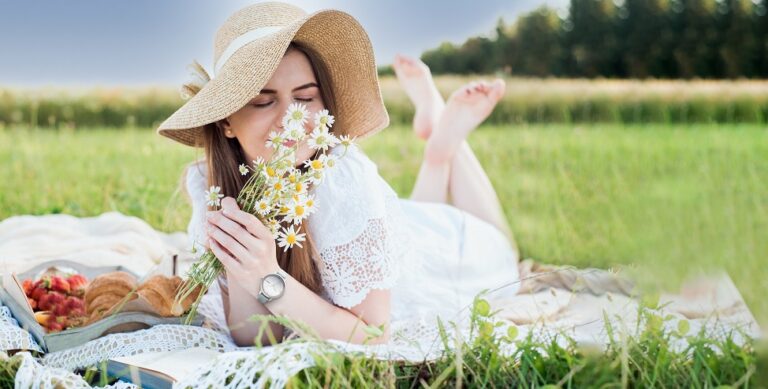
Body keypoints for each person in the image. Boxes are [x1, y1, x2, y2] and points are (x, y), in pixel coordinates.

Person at [156, 1, 519, 347]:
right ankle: (439, 149)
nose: (290, 119)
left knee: (505, 252)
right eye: (264, 101)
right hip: (399, 225)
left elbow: (374, 335)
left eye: (307, 97)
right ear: (226, 121)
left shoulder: (341, 178)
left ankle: (444, 148)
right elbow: (256, 338)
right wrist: (244, 270)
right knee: (414, 216)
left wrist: (269, 278)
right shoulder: (214, 187)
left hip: (449, 251)